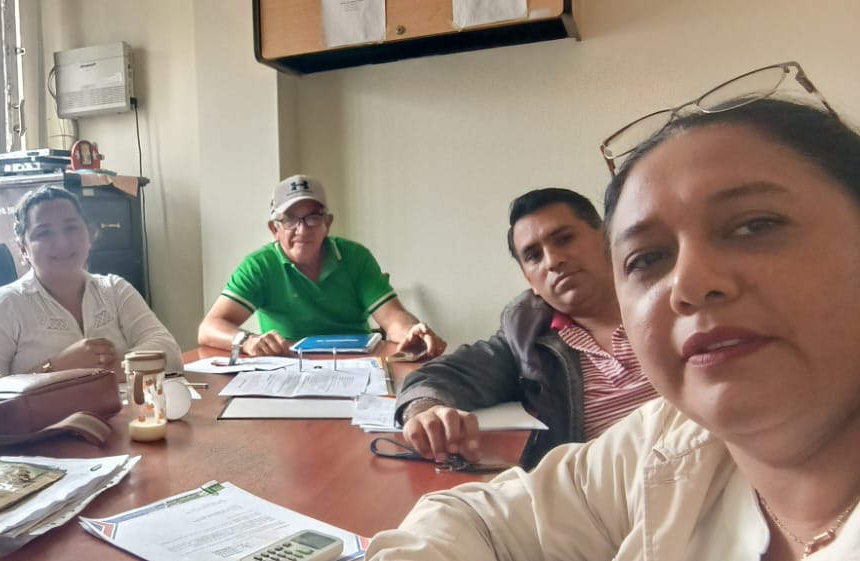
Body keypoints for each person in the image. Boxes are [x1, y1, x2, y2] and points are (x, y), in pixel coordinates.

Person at [367, 81, 860, 559]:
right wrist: (425, 408)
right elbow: (472, 518)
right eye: (649, 258)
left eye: (755, 226)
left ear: (601, 244)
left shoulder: (671, 430)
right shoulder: (650, 439)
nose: (689, 284)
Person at [397, 188, 657, 469]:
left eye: (564, 239)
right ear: (529, 280)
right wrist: (425, 411)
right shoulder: (527, 338)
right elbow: (440, 376)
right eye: (534, 256)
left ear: (607, 237)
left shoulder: (670, 299)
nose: (553, 261)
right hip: (609, 486)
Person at [197, 174, 446, 359]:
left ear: (328, 223)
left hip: (357, 364)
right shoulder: (259, 266)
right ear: (274, 229)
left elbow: (392, 319)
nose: (302, 230)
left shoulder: (355, 257)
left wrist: (411, 331)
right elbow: (209, 328)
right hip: (288, 366)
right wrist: (247, 340)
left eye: (313, 218)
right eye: (290, 219)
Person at [0, 186, 182, 375]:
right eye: (44, 233)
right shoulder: (4, 306)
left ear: (89, 235)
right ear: (23, 248)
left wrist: (106, 371)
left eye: (71, 228)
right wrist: (58, 366)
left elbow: (170, 353)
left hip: (125, 409)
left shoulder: (114, 289)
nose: (62, 242)